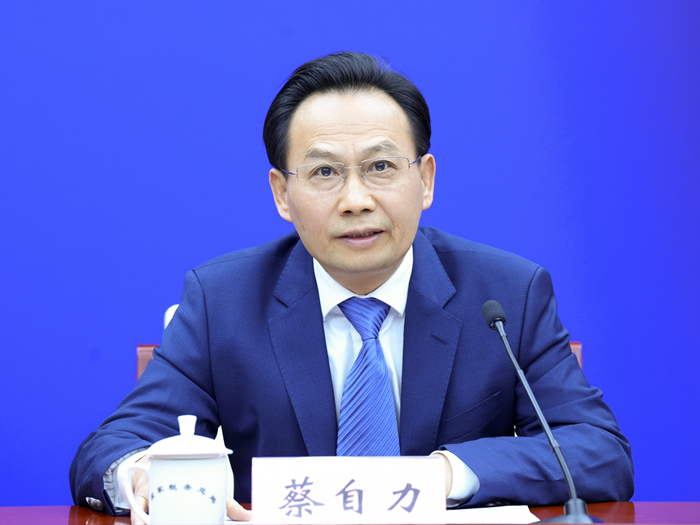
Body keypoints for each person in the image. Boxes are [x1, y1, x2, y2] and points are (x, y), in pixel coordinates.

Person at [69, 52, 634, 522]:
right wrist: (139, 475)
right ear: (282, 194)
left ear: (425, 180)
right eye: (324, 172)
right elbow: (109, 450)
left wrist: (445, 474)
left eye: (381, 167)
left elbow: (598, 451)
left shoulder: (507, 293)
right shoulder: (223, 299)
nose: (356, 200)